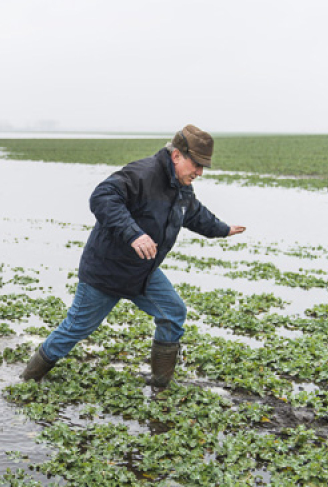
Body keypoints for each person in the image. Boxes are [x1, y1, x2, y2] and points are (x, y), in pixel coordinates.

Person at [22, 125, 246, 387]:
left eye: (203, 166)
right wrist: (134, 234)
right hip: (106, 272)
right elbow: (102, 196)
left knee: (173, 312)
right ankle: (28, 377)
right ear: (176, 156)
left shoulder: (181, 187)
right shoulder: (142, 174)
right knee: (76, 328)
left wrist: (223, 229)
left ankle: (161, 384)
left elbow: (193, 213)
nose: (199, 172)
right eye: (196, 164)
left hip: (142, 272)